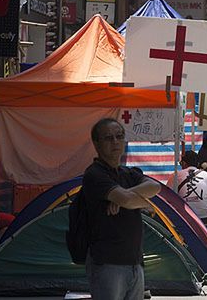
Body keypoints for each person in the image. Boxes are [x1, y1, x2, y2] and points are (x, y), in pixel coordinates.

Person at [82, 118, 161, 300]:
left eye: (119, 136)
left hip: (135, 263)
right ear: (96, 143)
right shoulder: (94, 174)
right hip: (107, 264)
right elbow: (128, 200)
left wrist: (125, 196)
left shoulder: (129, 174)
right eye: (108, 138)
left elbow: (155, 188)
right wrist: (143, 202)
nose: (115, 142)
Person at [166, 150, 207, 224]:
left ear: (184, 163)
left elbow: (168, 196)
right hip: (205, 217)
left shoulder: (175, 176)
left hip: (184, 218)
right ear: (198, 163)